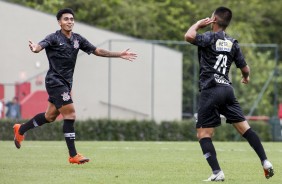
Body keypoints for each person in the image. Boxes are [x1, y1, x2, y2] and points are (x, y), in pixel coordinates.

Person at [13, 8, 137, 165]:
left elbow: (97, 51)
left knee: (49, 116)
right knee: (70, 115)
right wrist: (35, 48)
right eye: (66, 19)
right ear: (59, 22)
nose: (70, 21)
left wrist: (119, 54)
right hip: (54, 81)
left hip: (65, 83)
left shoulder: (78, 39)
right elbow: (40, 46)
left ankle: (21, 129)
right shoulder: (53, 37)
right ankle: (73, 155)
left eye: (71, 19)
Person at [184, 7, 274, 181]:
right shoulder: (233, 42)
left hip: (211, 90)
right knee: (245, 129)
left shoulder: (209, 37)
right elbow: (245, 68)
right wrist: (245, 77)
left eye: (210, 17)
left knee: (203, 134)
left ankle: (217, 172)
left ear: (214, 20)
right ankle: (265, 161)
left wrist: (197, 24)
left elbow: (188, 36)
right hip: (227, 90)